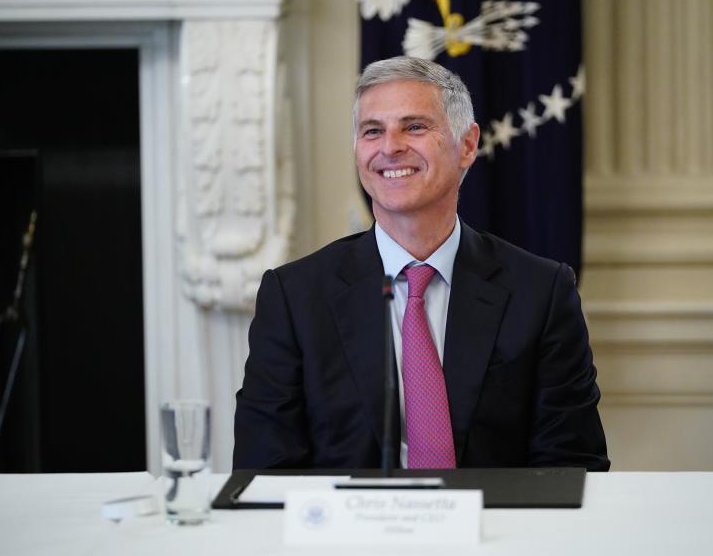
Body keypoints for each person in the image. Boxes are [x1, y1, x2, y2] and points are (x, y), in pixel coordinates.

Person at [233, 56, 609, 471]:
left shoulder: (541, 291)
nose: (390, 147)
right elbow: (264, 470)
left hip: (497, 530)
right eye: (372, 131)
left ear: (467, 146)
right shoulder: (294, 297)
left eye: (414, 127)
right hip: (344, 534)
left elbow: (572, 464)